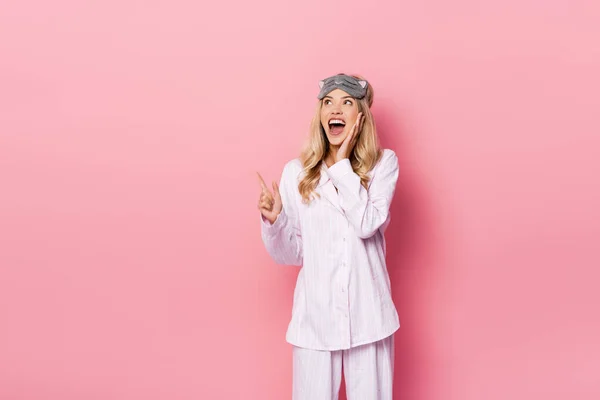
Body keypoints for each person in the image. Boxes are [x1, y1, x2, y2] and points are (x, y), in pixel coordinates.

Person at [257, 73, 400, 400]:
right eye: (328, 102)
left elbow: (367, 224)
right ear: (320, 114)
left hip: (369, 318)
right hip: (315, 320)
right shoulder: (297, 172)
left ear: (360, 115)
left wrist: (340, 167)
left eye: (346, 102)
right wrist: (275, 221)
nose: (335, 108)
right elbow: (292, 255)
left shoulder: (382, 165)